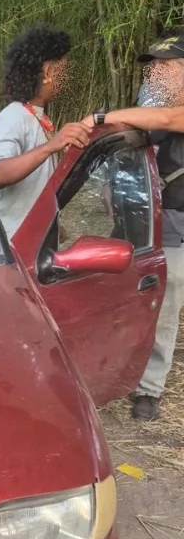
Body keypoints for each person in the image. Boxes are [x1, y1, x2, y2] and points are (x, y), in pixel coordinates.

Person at [78, 31, 184, 420]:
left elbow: (167, 119)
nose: (154, 72)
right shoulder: (149, 111)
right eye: (152, 65)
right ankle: (107, 368)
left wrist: (103, 117)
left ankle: (149, 389)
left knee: (163, 305)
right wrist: (110, 184)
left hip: (172, 225)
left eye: (165, 65)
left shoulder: (167, 113)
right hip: (133, 219)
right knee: (113, 293)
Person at [0, 26, 93, 237]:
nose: (67, 75)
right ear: (49, 72)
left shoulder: (36, 117)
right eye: (64, 68)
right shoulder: (13, 117)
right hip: (13, 246)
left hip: (33, 243)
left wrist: (52, 225)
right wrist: (51, 146)